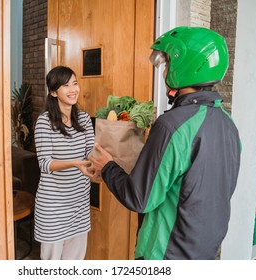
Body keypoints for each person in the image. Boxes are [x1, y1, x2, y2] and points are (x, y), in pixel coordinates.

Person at [89, 26, 241, 260]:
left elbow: (140, 198)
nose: (164, 71)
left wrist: (108, 167)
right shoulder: (228, 124)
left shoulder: (172, 125)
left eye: (167, 63)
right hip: (205, 251)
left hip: (165, 253)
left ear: (184, 66)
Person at [34, 65, 95, 260]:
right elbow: (44, 163)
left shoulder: (84, 119)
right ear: (53, 92)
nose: (73, 89)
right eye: (66, 85)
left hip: (79, 202)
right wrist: (76, 163)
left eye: (75, 83)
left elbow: (90, 153)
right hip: (53, 206)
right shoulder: (45, 122)